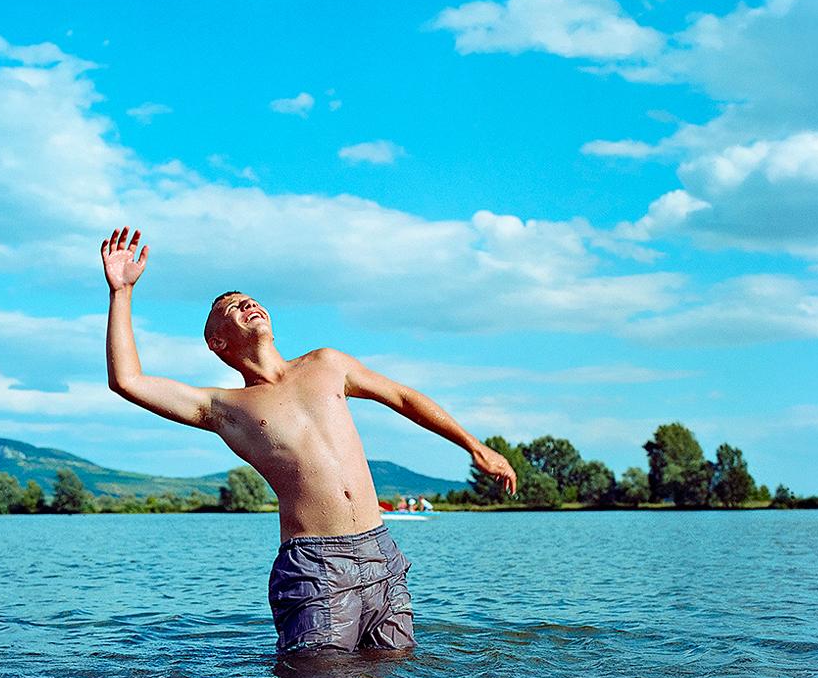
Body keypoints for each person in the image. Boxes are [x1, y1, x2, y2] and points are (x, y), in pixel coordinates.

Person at [102, 227, 517, 653]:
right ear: (217, 342)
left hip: (381, 553)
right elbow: (127, 380)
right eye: (231, 308)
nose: (246, 303)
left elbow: (404, 397)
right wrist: (122, 293)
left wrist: (473, 445)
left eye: (250, 299)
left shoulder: (327, 363)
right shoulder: (223, 407)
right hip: (317, 566)